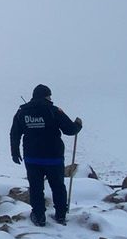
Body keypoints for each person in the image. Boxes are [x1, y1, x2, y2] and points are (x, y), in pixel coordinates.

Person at [10, 84, 82, 226]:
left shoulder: (22, 112)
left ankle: (39, 216)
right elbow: (70, 130)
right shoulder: (54, 110)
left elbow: (15, 133)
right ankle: (61, 215)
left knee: (36, 188)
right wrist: (78, 125)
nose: (50, 98)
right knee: (58, 186)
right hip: (53, 158)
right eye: (49, 96)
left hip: (32, 158)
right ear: (46, 96)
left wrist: (15, 152)